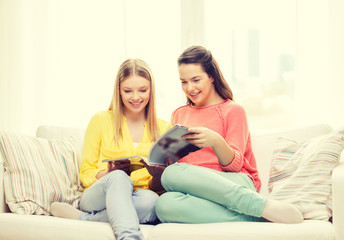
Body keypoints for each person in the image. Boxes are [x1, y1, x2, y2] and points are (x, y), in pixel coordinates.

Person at [149, 46, 304, 224]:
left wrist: (216, 141)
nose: (190, 88)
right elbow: (180, 169)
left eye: (196, 80)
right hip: (197, 189)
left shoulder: (233, 110)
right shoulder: (179, 113)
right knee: (164, 205)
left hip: (236, 183)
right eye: (183, 82)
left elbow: (235, 166)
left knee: (172, 174)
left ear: (212, 76)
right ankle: (256, 214)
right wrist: (160, 166)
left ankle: (258, 204)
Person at [51, 59, 171, 240]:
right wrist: (106, 174)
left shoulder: (164, 129)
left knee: (153, 202)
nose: (136, 97)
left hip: (139, 197)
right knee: (118, 177)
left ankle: (82, 219)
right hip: (99, 195)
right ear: (118, 91)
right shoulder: (100, 120)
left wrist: (158, 176)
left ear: (151, 90)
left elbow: (159, 188)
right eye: (128, 91)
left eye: (143, 90)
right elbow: (85, 173)